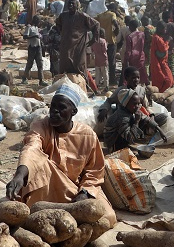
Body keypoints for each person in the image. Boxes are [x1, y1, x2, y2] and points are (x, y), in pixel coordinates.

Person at [6, 84, 117, 226]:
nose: (55, 112)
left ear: (74, 111)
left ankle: (68, 215)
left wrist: (84, 193)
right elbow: (31, 148)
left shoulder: (87, 135)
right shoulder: (41, 126)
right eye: (53, 107)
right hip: (48, 188)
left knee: (107, 217)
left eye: (62, 108)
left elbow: (95, 172)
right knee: (41, 162)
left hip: (76, 190)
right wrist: (19, 176)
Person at [104, 87, 168, 153]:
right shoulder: (122, 116)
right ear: (126, 104)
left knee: (159, 117)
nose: (137, 106)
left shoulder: (131, 110)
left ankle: (126, 145)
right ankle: (120, 148)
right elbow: (130, 138)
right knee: (132, 126)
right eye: (134, 104)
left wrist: (160, 130)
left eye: (138, 103)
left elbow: (146, 118)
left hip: (124, 133)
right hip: (113, 141)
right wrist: (136, 121)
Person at [55, 0, 99, 76]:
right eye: (69, 3)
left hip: (78, 45)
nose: (71, 5)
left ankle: (83, 83)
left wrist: (94, 39)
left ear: (77, 5)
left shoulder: (82, 16)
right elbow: (57, 23)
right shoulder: (63, 16)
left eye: (73, 3)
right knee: (64, 64)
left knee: (79, 65)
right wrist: (61, 32)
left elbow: (96, 24)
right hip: (66, 45)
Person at [96, 3, 120, 85]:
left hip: (102, 40)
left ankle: (100, 80)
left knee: (102, 62)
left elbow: (95, 24)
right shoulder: (112, 14)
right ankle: (112, 80)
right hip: (110, 41)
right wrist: (116, 32)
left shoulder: (99, 15)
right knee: (111, 61)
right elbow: (115, 24)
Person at [22, 15, 47, 87]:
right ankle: (24, 77)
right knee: (30, 63)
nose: (39, 22)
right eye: (38, 20)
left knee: (40, 64)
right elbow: (25, 36)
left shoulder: (37, 28)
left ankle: (41, 80)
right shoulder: (29, 27)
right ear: (35, 20)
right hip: (32, 47)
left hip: (38, 47)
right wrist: (34, 36)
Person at [150, 21, 174, 92]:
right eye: (164, 29)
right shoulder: (157, 38)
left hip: (162, 62)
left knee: (166, 79)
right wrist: (168, 41)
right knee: (165, 80)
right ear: (160, 29)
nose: (165, 31)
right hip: (158, 63)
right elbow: (163, 48)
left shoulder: (157, 37)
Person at [124, 19, 148, 85]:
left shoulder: (129, 37)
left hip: (133, 56)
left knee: (133, 72)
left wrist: (126, 59)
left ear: (130, 27)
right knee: (142, 71)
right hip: (141, 54)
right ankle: (145, 84)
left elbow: (128, 50)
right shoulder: (142, 34)